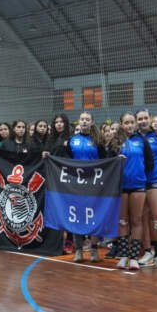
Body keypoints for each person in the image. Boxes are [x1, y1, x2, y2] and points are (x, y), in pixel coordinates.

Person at [108, 112, 152, 270]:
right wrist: (117, 161)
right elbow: (108, 164)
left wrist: (138, 173)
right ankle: (123, 256)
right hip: (120, 186)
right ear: (121, 124)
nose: (130, 125)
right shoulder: (115, 142)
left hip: (138, 185)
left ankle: (134, 257)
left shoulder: (142, 140)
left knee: (136, 221)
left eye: (132, 122)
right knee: (122, 221)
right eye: (126, 123)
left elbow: (150, 163)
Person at [66, 112, 105, 262]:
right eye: (82, 119)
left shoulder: (98, 141)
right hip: (76, 185)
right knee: (78, 216)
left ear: (92, 122)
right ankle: (79, 250)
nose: (84, 122)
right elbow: (65, 160)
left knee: (94, 215)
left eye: (87, 119)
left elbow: (106, 160)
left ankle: (94, 249)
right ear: (78, 121)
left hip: (93, 184)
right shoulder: (72, 140)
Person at [136, 109, 157, 268]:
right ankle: (148, 251)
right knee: (143, 218)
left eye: (145, 118)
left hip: (155, 180)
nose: (143, 121)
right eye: (140, 119)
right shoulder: (133, 137)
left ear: (150, 119)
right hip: (138, 182)